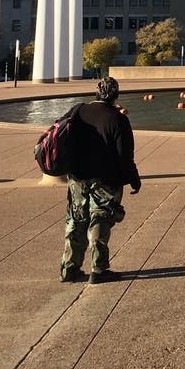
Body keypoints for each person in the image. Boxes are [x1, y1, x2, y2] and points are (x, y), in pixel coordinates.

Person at [61, 76, 141, 284]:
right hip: (105, 180)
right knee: (99, 221)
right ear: (115, 95)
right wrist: (133, 179)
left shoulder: (78, 111)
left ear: (96, 93)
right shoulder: (117, 119)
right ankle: (98, 269)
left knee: (76, 220)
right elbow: (125, 156)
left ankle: (69, 268)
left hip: (77, 177)